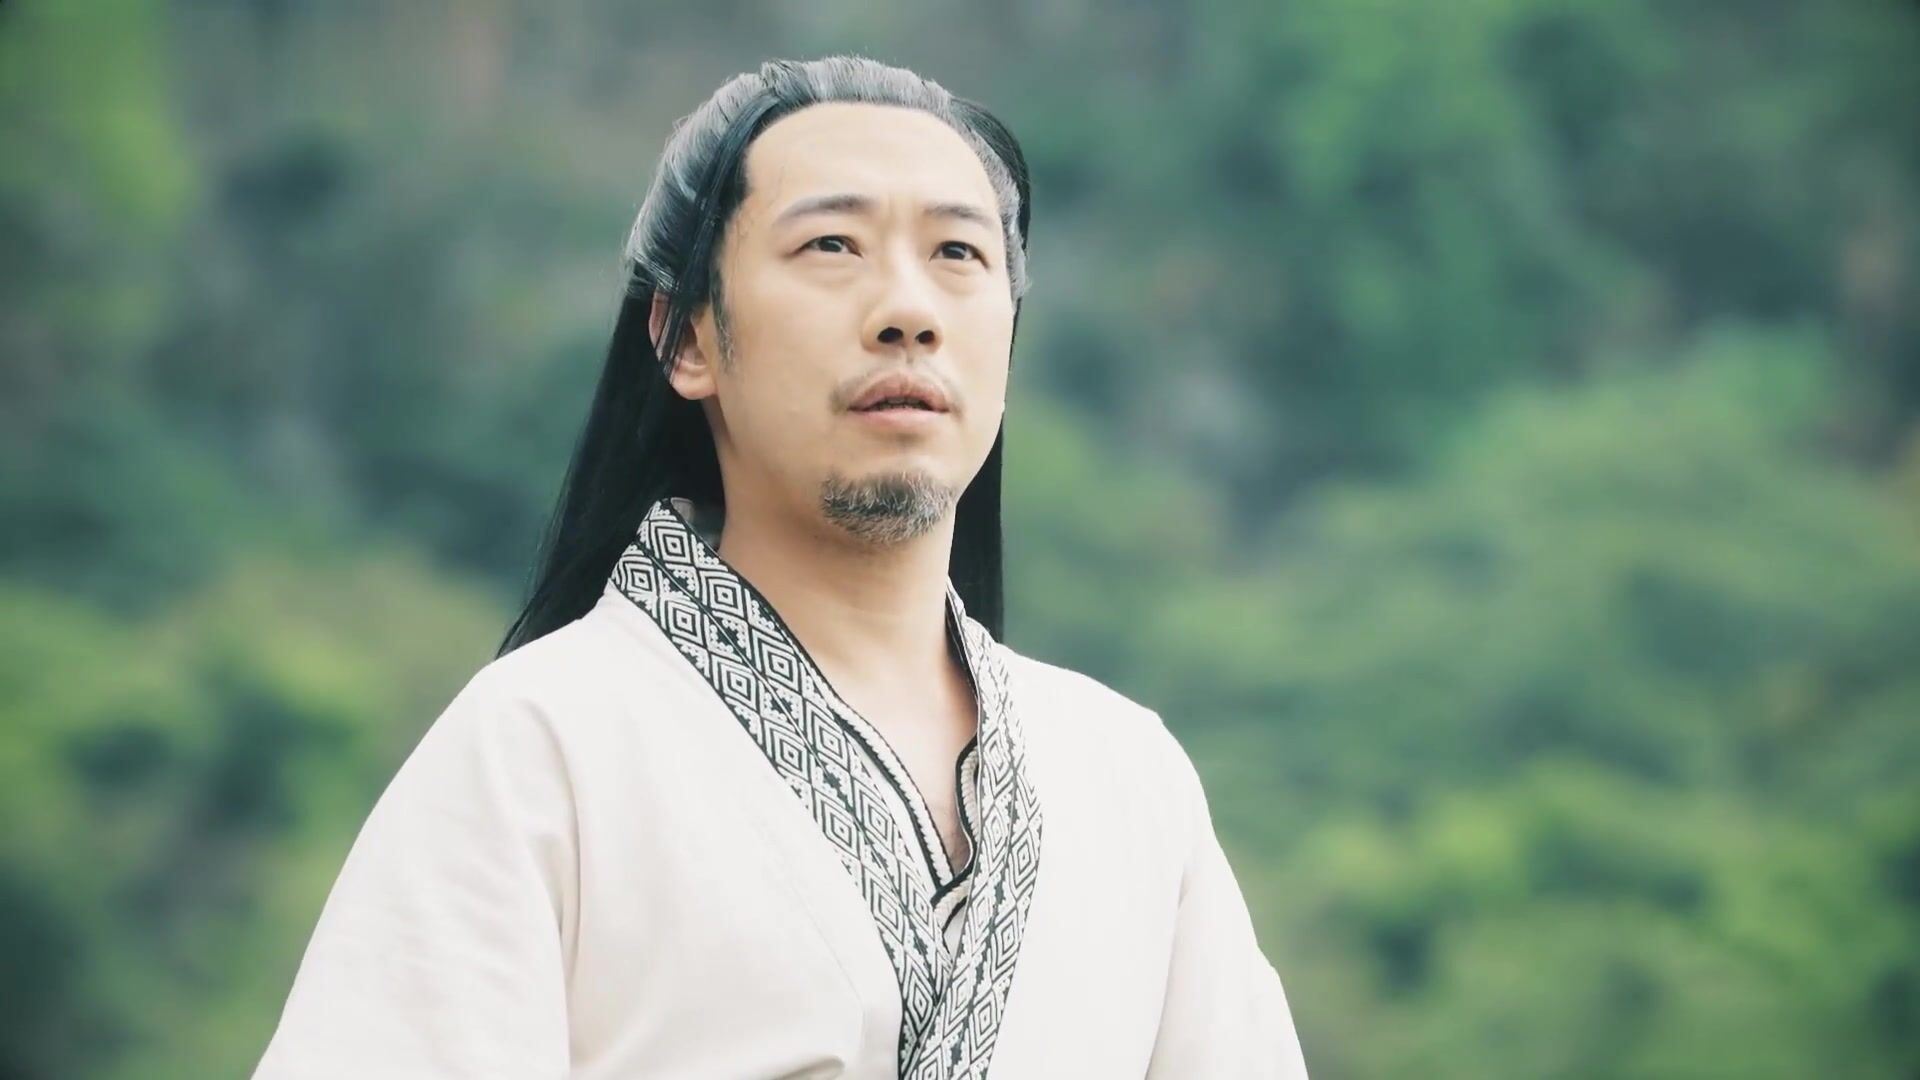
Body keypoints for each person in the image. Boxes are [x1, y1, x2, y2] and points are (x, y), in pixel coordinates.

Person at [253, 55, 1309, 1079]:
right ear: (686, 339)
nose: (909, 310)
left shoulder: (1124, 777)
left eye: (957, 252)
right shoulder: (541, 746)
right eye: (832, 245)